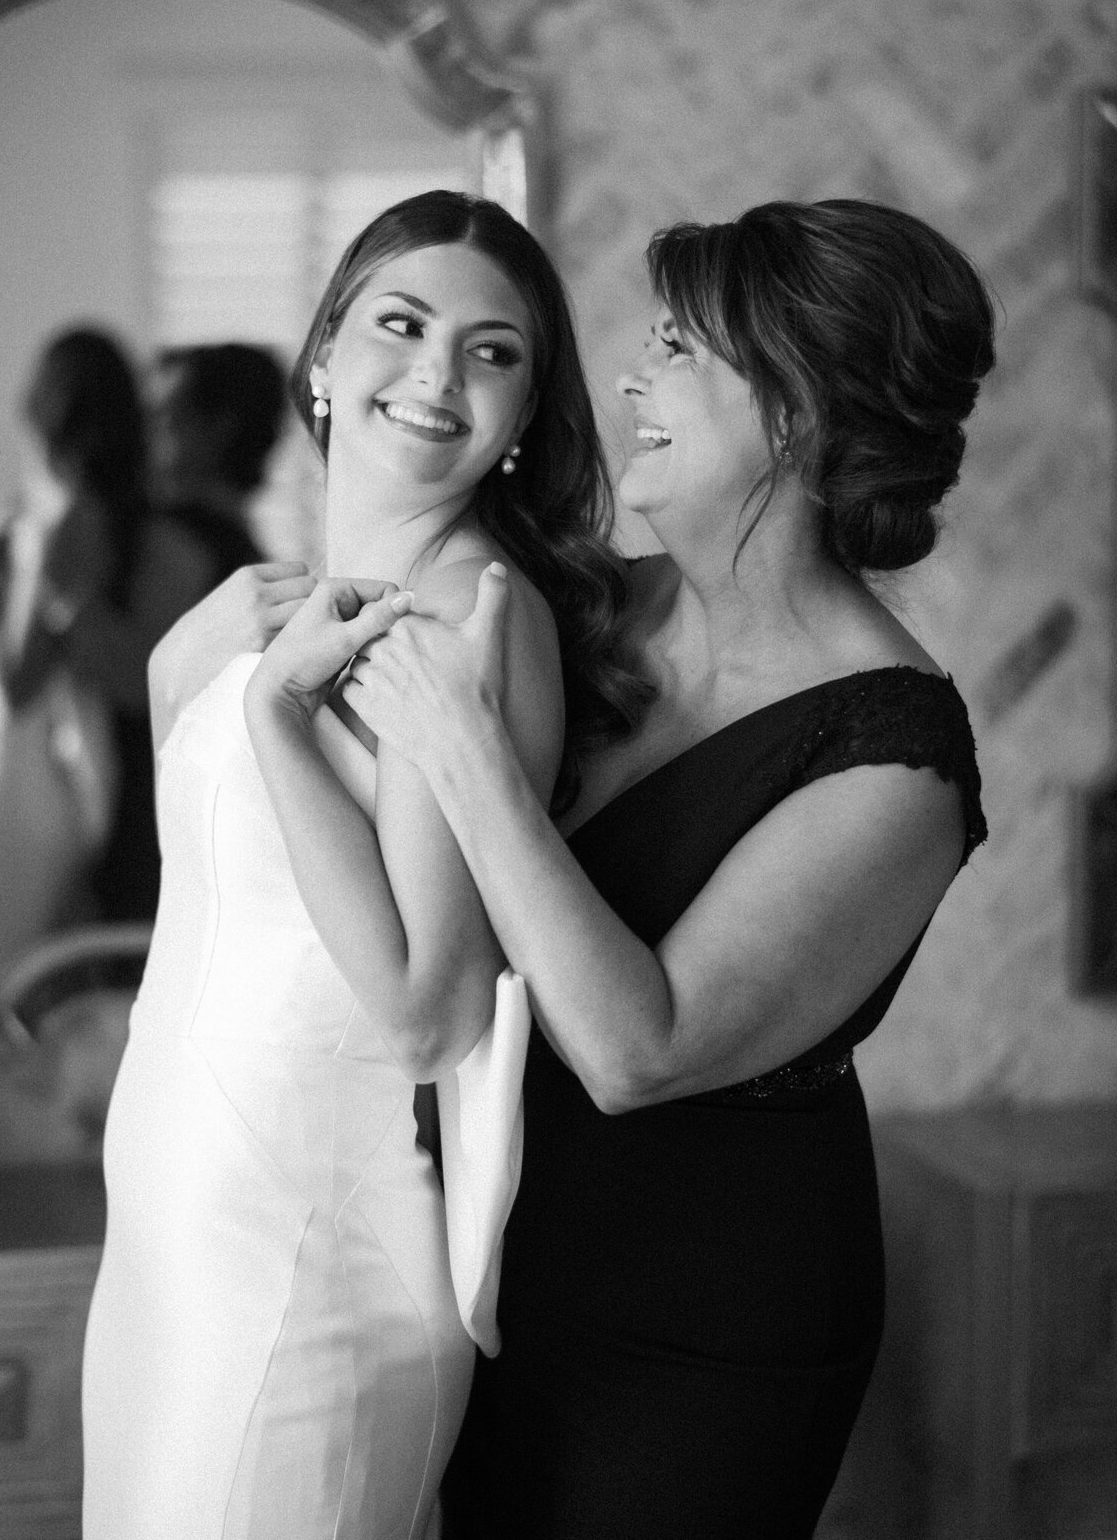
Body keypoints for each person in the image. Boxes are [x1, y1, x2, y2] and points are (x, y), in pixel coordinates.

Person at [342, 199, 996, 1538]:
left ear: (798, 413)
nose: (634, 375)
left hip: (701, 1336)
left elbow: (639, 1050)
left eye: (684, 347)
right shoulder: (589, 609)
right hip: (494, 1262)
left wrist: (467, 755)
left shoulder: (897, 758)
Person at [80, 190, 648, 1540]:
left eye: (493, 351)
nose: (439, 374)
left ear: (524, 418)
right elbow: (223, 880)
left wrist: (274, 712)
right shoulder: (278, 601)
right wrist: (190, 670)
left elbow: (429, 1009)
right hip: (173, 1228)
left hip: (306, 1255)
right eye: (402, 324)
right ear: (325, 357)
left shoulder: (466, 620)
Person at [0, 327, 198, 986]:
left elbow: (35, 684)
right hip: (64, 817)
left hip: (80, 827)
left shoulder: (146, 549)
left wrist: (58, 578)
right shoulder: (3, 546)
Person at [148, 341, 286, 577]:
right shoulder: (257, 570)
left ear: (219, 429)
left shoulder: (157, 550)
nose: (147, 432)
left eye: (166, 417)